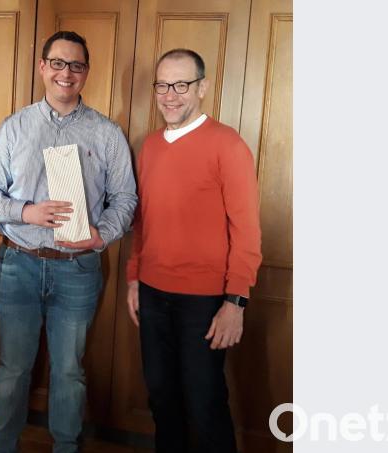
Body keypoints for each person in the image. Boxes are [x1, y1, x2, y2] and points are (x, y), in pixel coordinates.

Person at [0, 31, 137, 453]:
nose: (67, 73)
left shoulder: (106, 133)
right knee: (13, 368)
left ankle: (66, 447)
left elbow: (125, 198)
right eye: (59, 63)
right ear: (43, 67)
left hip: (78, 269)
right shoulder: (14, 127)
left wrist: (102, 234)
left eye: (77, 65)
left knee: (69, 370)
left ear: (86, 73)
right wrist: (26, 212)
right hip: (18, 264)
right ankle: (0, 445)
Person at [125, 49, 262, 453]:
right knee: (162, 401)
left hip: (204, 301)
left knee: (205, 405)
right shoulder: (149, 146)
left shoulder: (228, 145)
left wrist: (235, 302)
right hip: (152, 293)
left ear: (202, 87)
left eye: (181, 85)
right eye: (163, 85)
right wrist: (134, 277)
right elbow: (142, 221)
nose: (170, 95)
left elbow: (247, 232)